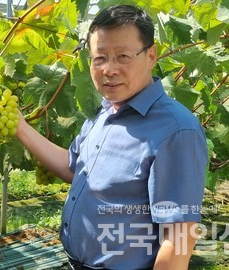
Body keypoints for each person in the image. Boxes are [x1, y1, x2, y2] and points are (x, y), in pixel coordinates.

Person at [15, 5, 208, 269]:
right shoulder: (104, 112)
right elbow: (75, 168)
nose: (109, 69)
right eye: (100, 58)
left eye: (123, 56)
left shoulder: (175, 130)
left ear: (151, 56)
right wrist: (21, 128)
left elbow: (179, 237)